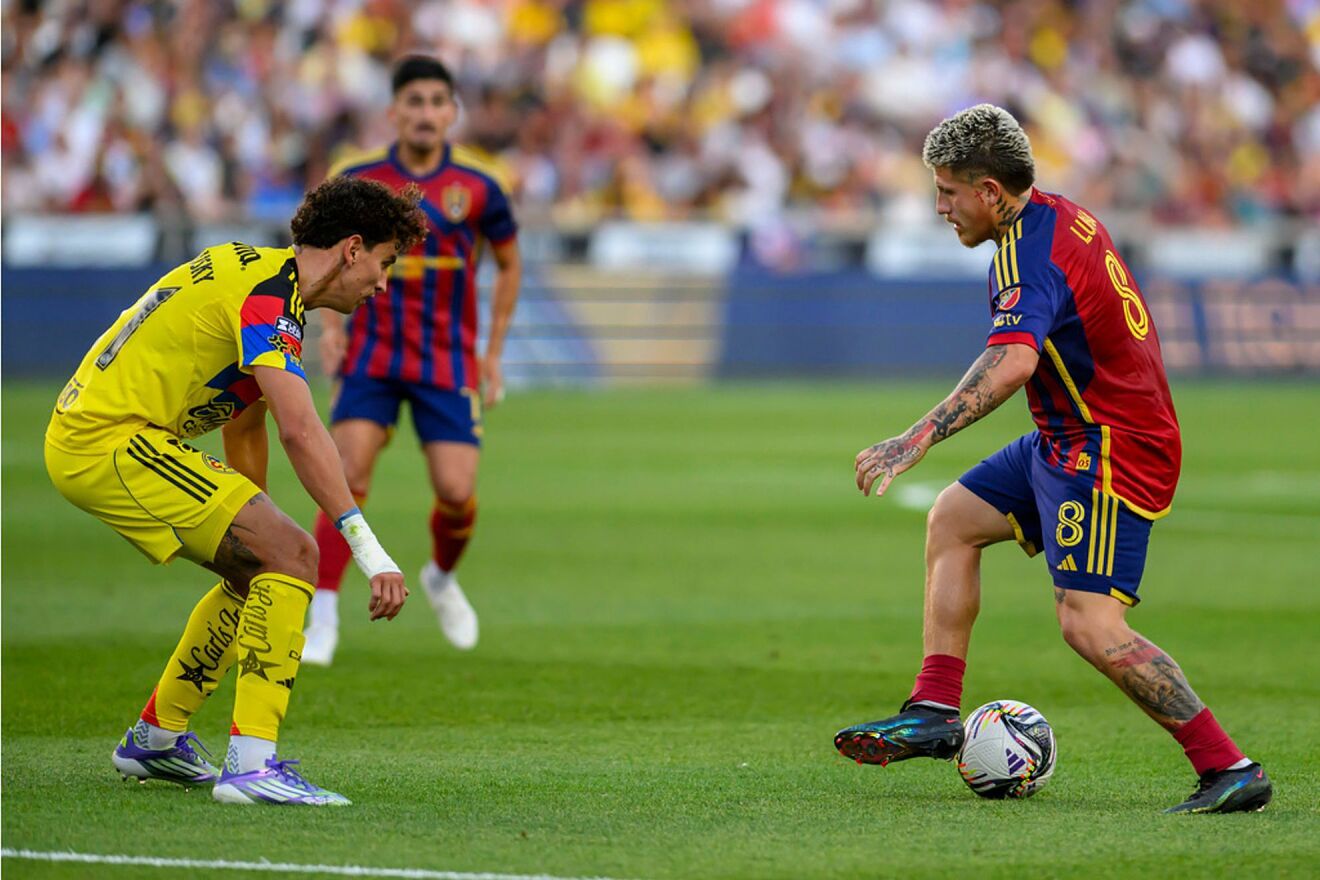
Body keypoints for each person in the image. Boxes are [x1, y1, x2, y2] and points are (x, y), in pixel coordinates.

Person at [832, 105, 1271, 814]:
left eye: (948, 191)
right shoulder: (1057, 215)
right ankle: (938, 711)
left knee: (1088, 624)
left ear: (991, 193)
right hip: (1073, 434)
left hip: (1109, 448)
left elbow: (1011, 364)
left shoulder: (1024, 256)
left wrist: (916, 436)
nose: (938, 206)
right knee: (953, 519)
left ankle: (1229, 767)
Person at [44, 177, 427, 806]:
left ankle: (156, 739)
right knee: (297, 554)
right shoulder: (270, 301)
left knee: (268, 566)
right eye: (385, 263)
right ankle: (253, 768)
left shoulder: (257, 278)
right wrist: (367, 549)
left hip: (100, 434)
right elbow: (301, 429)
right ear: (352, 249)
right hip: (108, 440)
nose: (383, 283)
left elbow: (245, 417)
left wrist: (261, 541)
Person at [301, 55, 522, 666]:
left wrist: (494, 352)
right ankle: (321, 611)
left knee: (456, 490)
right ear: (393, 110)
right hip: (372, 351)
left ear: (453, 112)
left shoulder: (481, 185)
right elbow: (315, 254)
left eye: (436, 102)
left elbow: (509, 262)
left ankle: (441, 580)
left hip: (447, 358)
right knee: (348, 475)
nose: (425, 113)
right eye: (414, 101)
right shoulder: (357, 176)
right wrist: (324, 326)